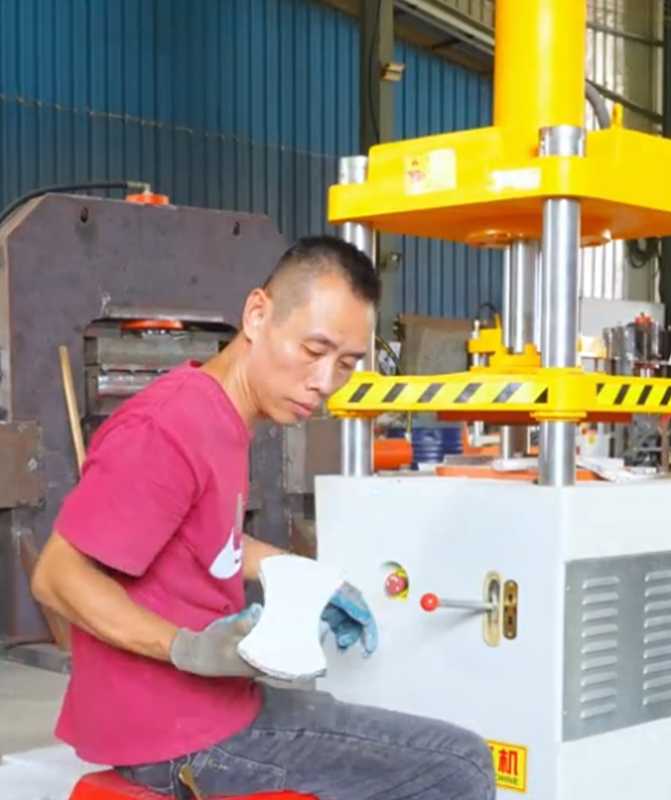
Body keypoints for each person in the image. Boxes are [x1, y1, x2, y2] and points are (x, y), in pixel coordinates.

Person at [31, 235, 496, 800]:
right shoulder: (170, 427)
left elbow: (200, 535)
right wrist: (188, 647)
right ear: (257, 314)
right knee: (463, 766)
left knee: (340, 714)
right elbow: (58, 575)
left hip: (211, 707)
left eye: (346, 364)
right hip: (180, 735)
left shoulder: (224, 419)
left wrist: (302, 575)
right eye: (313, 349)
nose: (325, 383)